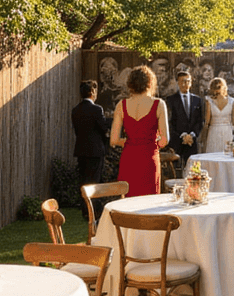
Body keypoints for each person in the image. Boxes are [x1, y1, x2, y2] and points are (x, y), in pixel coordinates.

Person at [110, 66, 169, 197]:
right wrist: (151, 144)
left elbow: (113, 140)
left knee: (127, 202)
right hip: (149, 158)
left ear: (130, 84)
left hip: (129, 158)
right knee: (149, 204)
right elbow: (165, 140)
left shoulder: (121, 105)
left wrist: (130, 142)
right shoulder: (159, 104)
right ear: (150, 83)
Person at [72, 80, 109, 218]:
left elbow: (77, 131)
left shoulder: (75, 110)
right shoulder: (97, 109)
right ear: (93, 93)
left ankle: (85, 210)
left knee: (84, 181)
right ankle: (94, 211)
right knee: (95, 181)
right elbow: (103, 128)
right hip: (96, 150)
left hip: (81, 150)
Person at [166, 69, 204, 169]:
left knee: (193, 170)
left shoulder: (197, 100)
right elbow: (169, 122)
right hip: (177, 141)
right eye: (182, 81)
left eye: (187, 81)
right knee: (176, 171)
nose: (185, 83)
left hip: (192, 141)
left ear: (191, 83)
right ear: (178, 82)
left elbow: (200, 120)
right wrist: (183, 136)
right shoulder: (171, 100)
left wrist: (192, 135)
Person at [203, 76, 234, 153]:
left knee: (213, 156)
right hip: (227, 131)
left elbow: (207, 121)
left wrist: (203, 137)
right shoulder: (232, 101)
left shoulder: (209, 101)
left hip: (214, 131)